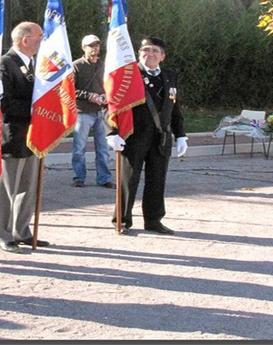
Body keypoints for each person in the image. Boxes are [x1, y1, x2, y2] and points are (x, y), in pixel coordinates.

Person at [108, 37, 188, 235]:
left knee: (157, 179)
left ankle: (153, 220)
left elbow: (174, 107)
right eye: (146, 50)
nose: (149, 54)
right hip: (134, 135)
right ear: (139, 53)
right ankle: (122, 220)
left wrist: (180, 135)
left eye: (155, 51)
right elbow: (112, 103)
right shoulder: (128, 74)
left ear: (162, 56)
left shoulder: (169, 76)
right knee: (128, 179)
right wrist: (112, 132)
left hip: (161, 137)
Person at [0, 21, 49, 253]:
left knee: (28, 186)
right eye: (39, 36)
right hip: (13, 134)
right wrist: (35, 107)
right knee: (7, 188)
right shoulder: (5, 63)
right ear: (25, 40)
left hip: (33, 135)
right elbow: (3, 102)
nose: (43, 40)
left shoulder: (35, 63)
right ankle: (2, 234)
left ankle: (21, 231)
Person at [71, 34, 115, 189]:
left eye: (96, 45)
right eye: (91, 46)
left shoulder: (105, 65)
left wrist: (106, 95)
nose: (94, 48)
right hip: (83, 112)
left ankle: (104, 178)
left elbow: (111, 85)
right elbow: (69, 89)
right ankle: (79, 177)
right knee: (79, 148)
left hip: (102, 112)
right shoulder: (76, 66)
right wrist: (89, 96)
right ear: (84, 48)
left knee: (103, 148)